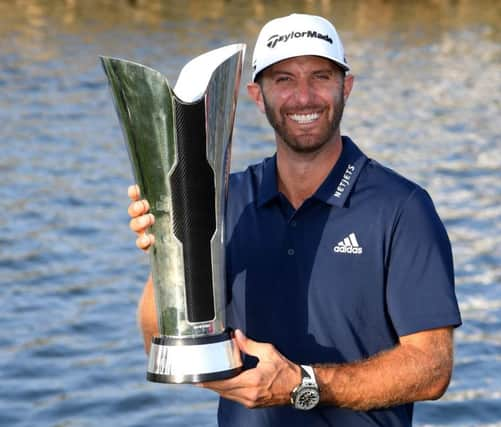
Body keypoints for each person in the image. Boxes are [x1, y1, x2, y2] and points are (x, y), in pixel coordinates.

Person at [128, 13, 461, 427]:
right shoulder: (224, 200)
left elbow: (432, 368)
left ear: (347, 87)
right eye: (283, 79)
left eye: (320, 76)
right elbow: (161, 343)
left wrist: (303, 384)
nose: (304, 97)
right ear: (256, 94)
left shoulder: (402, 207)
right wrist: (166, 257)